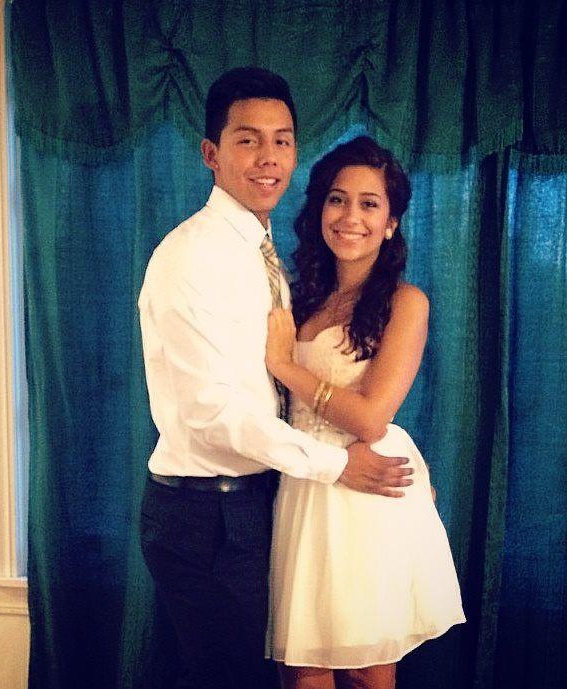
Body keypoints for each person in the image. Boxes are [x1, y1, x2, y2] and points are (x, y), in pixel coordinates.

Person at [138, 68, 415, 689]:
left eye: (282, 140)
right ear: (211, 153)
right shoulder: (193, 257)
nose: (268, 158)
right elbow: (212, 412)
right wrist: (335, 464)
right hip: (209, 511)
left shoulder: (264, 256)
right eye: (247, 140)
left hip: (266, 498)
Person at [264, 136, 466, 689]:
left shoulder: (406, 302)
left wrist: (284, 364)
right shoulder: (297, 298)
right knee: (303, 670)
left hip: (367, 483)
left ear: (391, 223)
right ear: (319, 210)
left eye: (369, 203)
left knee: (366, 669)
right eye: (337, 199)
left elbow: (373, 418)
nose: (350, 216)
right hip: (304, 480)